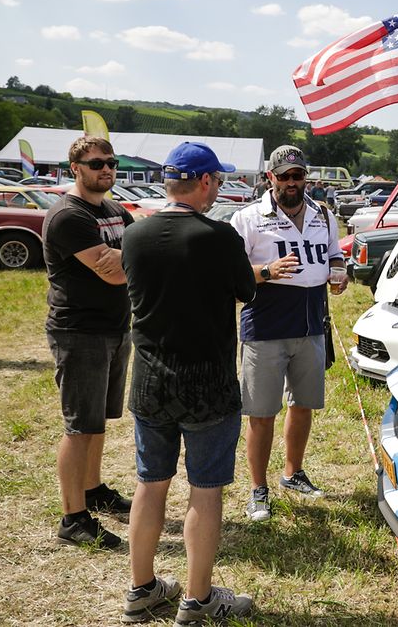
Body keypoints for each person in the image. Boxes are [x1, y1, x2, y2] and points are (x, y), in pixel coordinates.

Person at [121, 142, 256, 624]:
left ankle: (141, 587)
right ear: (203, 182)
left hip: (150, 380)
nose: (219, 188)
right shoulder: (218, 237)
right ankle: (197, 600)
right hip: (208, 384)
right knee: (205, 491)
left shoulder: (134, 234)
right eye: (217, 180)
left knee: (149, 484)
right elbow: (247, 289)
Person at [230, 144, 347, 522]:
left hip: (311, 324)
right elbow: (228, 274)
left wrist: (339, 272)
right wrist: (266, 272)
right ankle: (257, 489)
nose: (293, 183)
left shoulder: (323, 215)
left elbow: (334, 254)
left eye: (299, 176)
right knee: (262, 412)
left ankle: (293, 473)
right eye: (285, 176)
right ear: (271, 178)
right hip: (265, 325)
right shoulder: (247, 218)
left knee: (303, 404)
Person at [42, 136, 135, 549]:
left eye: (111, 163)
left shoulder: (115, 211)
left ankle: (94, 490)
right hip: (79, 332)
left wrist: (124, 258)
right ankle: (72, 517)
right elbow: (113, 273)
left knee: (98, 421)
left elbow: (133, 261)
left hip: (116, 327)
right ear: (74, 168)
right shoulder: (67, 216)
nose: (106, 170)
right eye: (97, 163)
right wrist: (125, 261)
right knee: (79, 426)